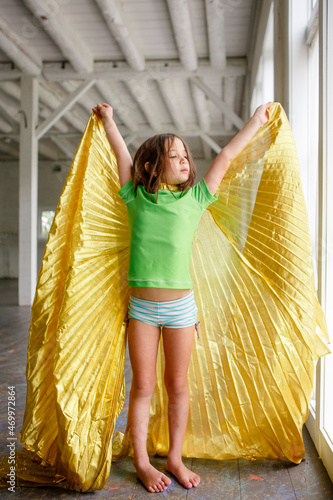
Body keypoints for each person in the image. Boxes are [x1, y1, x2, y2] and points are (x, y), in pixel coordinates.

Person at [92, 101, 272, 493]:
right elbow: (121, 151)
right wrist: (108, 120)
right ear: (150, 168)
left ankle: (174, 456)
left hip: (180, 309)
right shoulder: (135, 197)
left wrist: (257, 120)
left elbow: (226, 155)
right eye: (173, 156)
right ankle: (141, 460)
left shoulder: (195, 199)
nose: (184, 159)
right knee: (142, 385)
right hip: (141, 309)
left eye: (185, 154)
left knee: (177, 384)